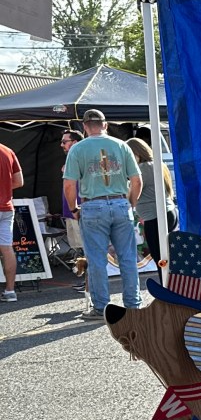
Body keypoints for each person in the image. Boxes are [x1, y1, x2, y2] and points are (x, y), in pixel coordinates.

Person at [63, 109, 143, 319]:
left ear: (84, 126)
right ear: (105, 125)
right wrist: (130, 204)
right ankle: (133, 304)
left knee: (96, 259)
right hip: (120, 203)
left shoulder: (77, 149)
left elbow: (69, 185)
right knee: (127, 257)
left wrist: (73, 209)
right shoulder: (122, 146)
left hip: (92, 206)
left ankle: (101, 308)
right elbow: (137, 181)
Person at [126, 138, 178, 274]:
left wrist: (130, 202)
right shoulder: (158, 164)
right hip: (167, 212)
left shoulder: (142, 169)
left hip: (155, 216)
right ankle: (170, 288)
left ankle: (165, 290)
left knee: (159, 256)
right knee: (167, 255)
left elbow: (133, 192)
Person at [59, 130, 86, 291]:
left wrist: (75, 209)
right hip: (71, 210)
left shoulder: (80, 157)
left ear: (75, 142)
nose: (61, 145)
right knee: (78, 247)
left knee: (84, 248)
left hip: (77, 210)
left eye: (65, 141)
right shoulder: (71, 158)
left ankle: (89, 284)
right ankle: (86, 281)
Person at [1, 142, 24, 302]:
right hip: (7, 207)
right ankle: (10, 291)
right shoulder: (8, 151)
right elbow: (19, 181)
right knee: (7, 249)